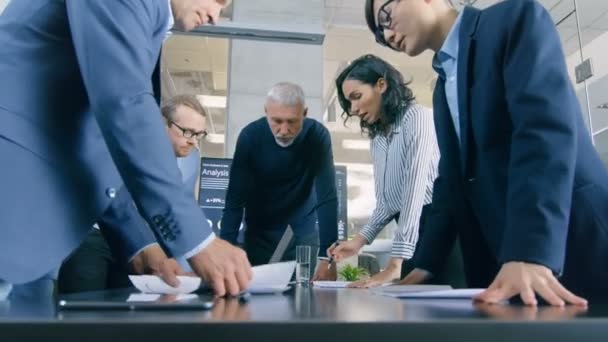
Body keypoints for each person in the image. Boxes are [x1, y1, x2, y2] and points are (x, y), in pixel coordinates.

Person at [0, 0, 251, 299]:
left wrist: (138, 244)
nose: (214, 16)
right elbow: (125, 106)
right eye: (217, 1)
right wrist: (198, 242)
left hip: (35, 235)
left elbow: (96, 147)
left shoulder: (144, 23)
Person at [365, 0, 608, 305]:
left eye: (385, 17)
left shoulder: (512, 21)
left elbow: (542, 132)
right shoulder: (443, 87)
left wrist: (529, 250)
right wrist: (426, 264)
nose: (387, 35)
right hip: (507, 261)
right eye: (379, 32)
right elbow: (451, 182)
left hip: (573, 240)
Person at [328, 54, 464, 288]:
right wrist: (359, 241)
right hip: (411, 243)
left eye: (357, 97)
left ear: (382, 85)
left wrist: (394, 264)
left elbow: (414, 192)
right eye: (348, 102)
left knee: (442, 318)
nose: (353, 109)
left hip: (439, 235)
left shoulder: (417, 118)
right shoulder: (378, 136)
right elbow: (388, 202)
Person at [58, 95, 209, 294]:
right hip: (94, 236)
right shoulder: (127, 143)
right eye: (188, 132)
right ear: (162, 124)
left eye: (199, 135)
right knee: (83, 313)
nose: (193, 143)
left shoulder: (183, 167)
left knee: (125, 314)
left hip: (137, 245)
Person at [220, 82, 338, 281]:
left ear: (305, 113)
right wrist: (225, 253)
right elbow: (234, 201)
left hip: (302, 235)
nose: (284, 130)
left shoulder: (317, 136)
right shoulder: (250, 137)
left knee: (303, 302)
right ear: (266, 112)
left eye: (292, 121)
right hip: (259, 234)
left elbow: (327, 197)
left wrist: (328, 258)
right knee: (256, 302)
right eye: (276, 121)